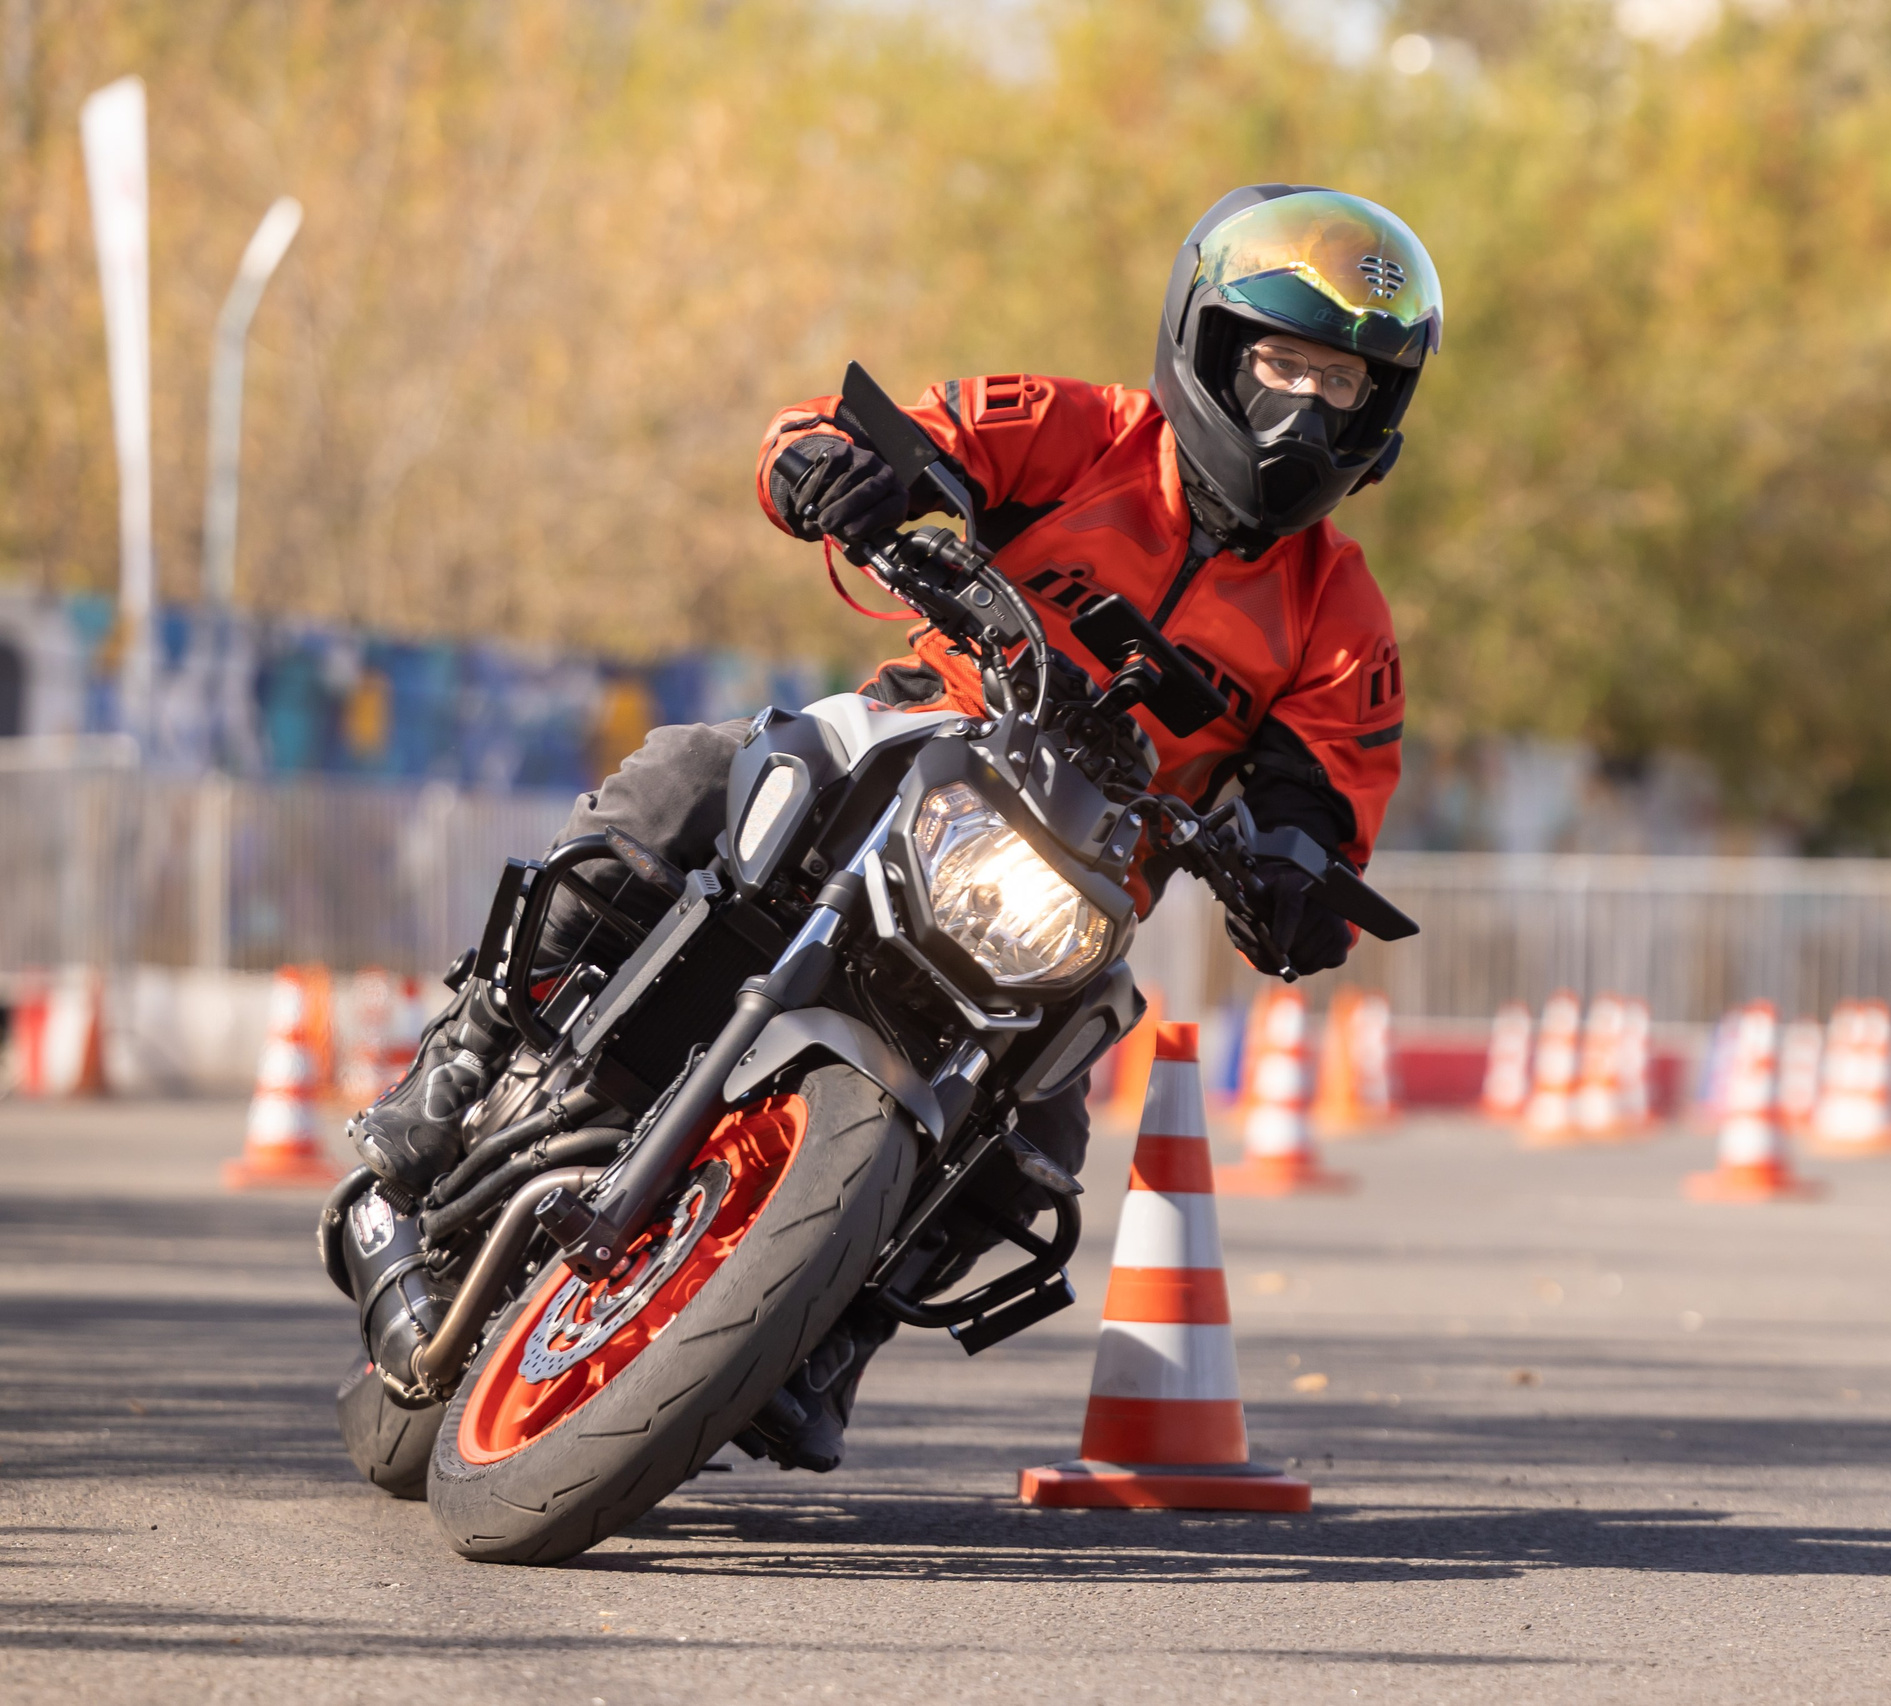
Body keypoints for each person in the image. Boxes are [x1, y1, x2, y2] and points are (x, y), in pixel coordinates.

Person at [348, 182, 1440, 1463]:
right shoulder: (1075, 431)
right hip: (924, 736)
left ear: (1380, 415)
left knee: (1046, 1137)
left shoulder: (1339, 614)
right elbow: (861, 427)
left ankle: (830, 1326)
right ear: (1209, 348)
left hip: (1080, 874)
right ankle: (468, 1052)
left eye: (1340, 384)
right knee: (692, 770)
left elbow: (1329, 793)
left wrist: (1298, 878)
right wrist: (831, 468)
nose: (1305, 408)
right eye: (1282, 365)